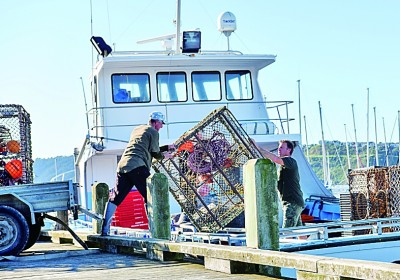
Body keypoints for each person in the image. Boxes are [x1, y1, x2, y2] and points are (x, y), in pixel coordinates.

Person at [101, 111, 175, 236]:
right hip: (138, 166)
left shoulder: (137, 129)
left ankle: (104, 230)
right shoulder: (154, 132)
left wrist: (167, 147)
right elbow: (155, 153)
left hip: (123, 166)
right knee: (150, 195)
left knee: (116, 198)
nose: (162, 126)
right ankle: (154, 231)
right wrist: (164, 156)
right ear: (156, 122)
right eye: (161, 123)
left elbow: (145, 148)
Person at [255, 140, 304, 228]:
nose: (279, 149)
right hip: (294, 202)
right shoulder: (285, 165)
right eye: (279, 147)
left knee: (286, 232)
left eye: (281, 147)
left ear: (289, 150)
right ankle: (307, 242)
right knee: (299, 230)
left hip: (292, 203)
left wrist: (258, 148)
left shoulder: (290, 161)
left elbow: (276, 159)